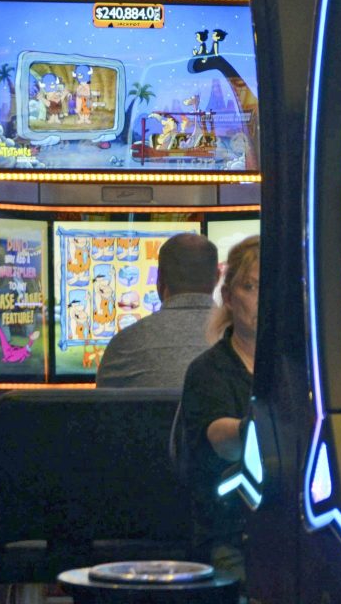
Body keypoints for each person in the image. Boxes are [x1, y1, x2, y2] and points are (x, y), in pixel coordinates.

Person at [179, 235, 259, 572]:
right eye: (250, 287)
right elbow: (222, 439)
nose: (262, 300)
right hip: (233, 535)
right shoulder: (209, 369)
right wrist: (264, 423)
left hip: (299, 529)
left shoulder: (304, 367)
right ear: (227, 296)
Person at [96, 233, 219, 388]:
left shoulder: (123, 346)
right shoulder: (246, 342)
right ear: (217, 278)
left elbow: (102, 409)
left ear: (159, 279)